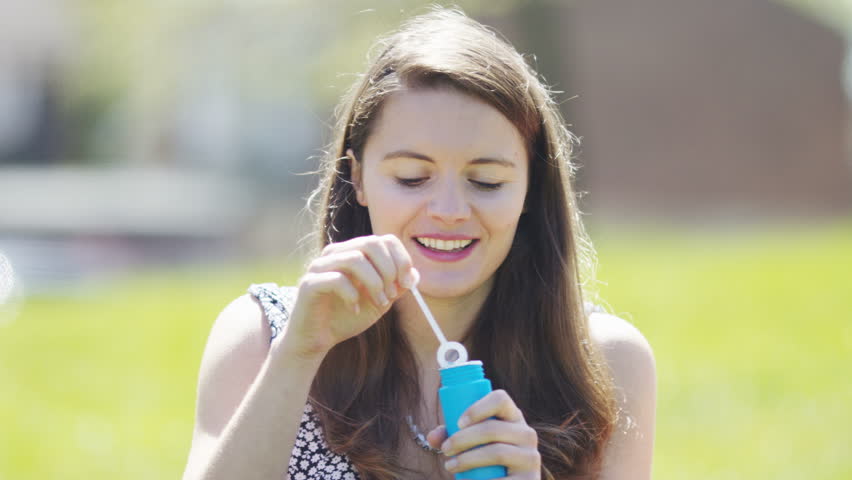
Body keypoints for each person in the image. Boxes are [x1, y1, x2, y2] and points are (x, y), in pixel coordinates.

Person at [182, 7, 655, 480]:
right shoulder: (262, 339)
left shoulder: (606, 362)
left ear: (531, 189)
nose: (449, 210)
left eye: (486, 181)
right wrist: (299, 355)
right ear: (359, 179)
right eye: (412, 178)